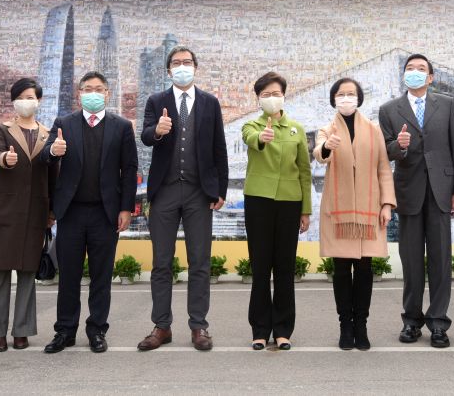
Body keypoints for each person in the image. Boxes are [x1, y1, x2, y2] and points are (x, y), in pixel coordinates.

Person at [137, 46, 229, 352]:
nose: (182, 67)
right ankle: (161, 326)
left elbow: (219, 147)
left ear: (195, 67)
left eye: (187, 62)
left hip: (198, 192)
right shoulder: (156, 101)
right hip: (164, 190)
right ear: (168, 71)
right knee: (161, 262)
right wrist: (158, 130)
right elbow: (145, 136)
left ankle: (198, 325)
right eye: (176, 63)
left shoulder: (209, 102)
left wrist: (221, 189)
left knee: (200, 261)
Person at [41, 71, 138, 354]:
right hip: (71, 212)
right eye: (87, 89)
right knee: (68, 276)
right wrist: (54, 150)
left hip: (105, 214)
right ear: (79, 93)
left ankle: (97, 330)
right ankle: (65, 330)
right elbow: (45, 156)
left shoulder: (122, 126)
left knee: (101, 277)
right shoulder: (64, 124)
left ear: (107, 93)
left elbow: (129, 169)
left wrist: (126, 208)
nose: (93, 93)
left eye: (98, 89)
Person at [378, 54, 454, 349]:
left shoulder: (448, 105)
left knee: (440, 260)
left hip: (442, 189)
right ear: (404, 75)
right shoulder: (389, 109)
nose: (414, 72)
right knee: (411, 260)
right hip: (409, 191)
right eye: (410, 68)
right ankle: (411, 321)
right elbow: (386, 151)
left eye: (421, 69)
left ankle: (438, 323)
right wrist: (398, 146)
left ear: (430, 77)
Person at [0, 78, 57, 351]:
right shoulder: (3, 129)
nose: (26, 101)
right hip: (4, 210)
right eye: (20, 97)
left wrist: (52, 211)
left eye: (30, 97)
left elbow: (54, 175)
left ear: (39, 101)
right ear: (13, 101)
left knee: (27, 273)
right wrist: (4, 159)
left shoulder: (48, 134)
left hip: (35, 211)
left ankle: (22, 331)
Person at [314, 77, 395, 351]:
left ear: (359, 98)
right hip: (338, 214)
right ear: (333, 99)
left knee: (363, 269)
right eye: (341, 94)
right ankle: (345, 327)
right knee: (340, 270)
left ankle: (361, 325)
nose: (346, 98)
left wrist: (387, 204)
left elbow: (383, 168)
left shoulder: (373, 130)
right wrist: (328, 146)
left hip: (369, 212)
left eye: (351, 93)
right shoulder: (327, 130)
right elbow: (319, 153)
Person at [241, 71, 311, 351]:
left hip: (290, 203)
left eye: (276, 93)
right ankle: (260, 330)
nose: (272, 98)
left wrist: (305, 210)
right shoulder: (251, 125)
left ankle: (283, 330)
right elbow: (252, 138)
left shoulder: (296, 129)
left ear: (284, 96)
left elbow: (304, 171)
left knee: (284, 268)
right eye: (266, 94)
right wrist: (262, 137)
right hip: (258, 201)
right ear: (258, 99)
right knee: (260, 268)